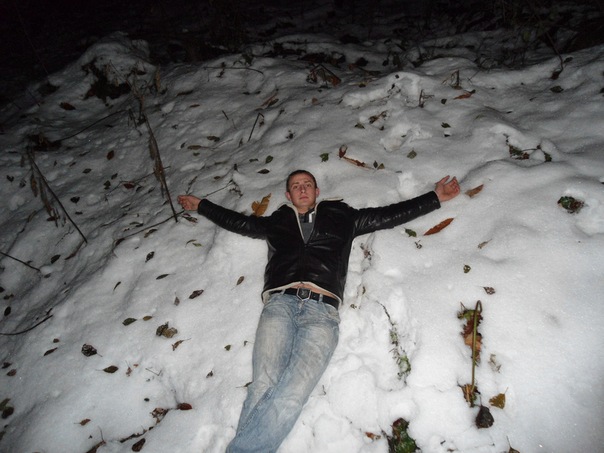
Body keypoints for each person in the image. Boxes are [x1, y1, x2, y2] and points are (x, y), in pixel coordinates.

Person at [177, 170, 460, 452]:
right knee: (262, 386)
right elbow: (239, 222)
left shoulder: (343, 218)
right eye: (296, 186)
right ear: (288, 195)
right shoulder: (277, 222)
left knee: (293, 393)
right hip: (280, 305)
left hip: (321, 312)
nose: (302, 189)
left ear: (316, 191)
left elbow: (388, 215)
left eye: (307, 184)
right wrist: (202, 205)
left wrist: (434, 198)